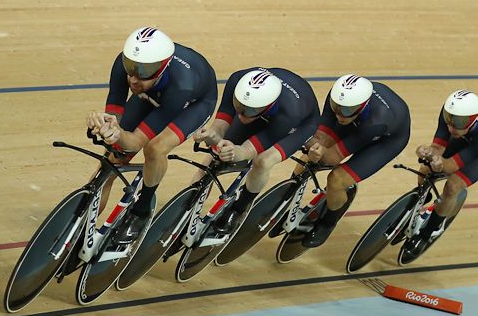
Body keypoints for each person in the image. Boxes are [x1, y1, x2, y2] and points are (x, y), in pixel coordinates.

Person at [86, 27, 218, 246]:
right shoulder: (125, 65)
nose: (134, 80)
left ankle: (142, 208)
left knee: (155, 149)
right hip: (153, 92)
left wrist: (119, 135)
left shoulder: (181, 85)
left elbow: (136, 141)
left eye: (144, 72)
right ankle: (79, 222)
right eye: (131, 69)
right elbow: (114, 117)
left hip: (193, 103)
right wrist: (105, 127)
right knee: (111, 162)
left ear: (163, 68)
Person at [192, 66, 320, 240]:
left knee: (262, 161)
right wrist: (213, 135)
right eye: (239, 106)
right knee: (214, 156)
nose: (243, 115)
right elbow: (220, 126)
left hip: (300, 124)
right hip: (263, 108)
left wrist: (233, 153)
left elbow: (246, 151)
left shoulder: (289, 114)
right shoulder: (237, 81)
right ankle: (187, 206)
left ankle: (239, 208)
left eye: (250, 110)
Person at [299, 74, 411, 248]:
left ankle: (328, 223)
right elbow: (320, 136)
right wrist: (310, 144)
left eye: (346, 109)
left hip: (386, 140)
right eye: (337, 107)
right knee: (311, 152)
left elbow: (333, 157)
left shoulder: (377, 120)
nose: (340, 114)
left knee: (336, 180)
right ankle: (289, 195)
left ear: (363, 105)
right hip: (358, 120)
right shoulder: (337, 99)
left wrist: (310, 145)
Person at [402, 89, 478, 259]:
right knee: (425, 169)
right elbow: (438, 148)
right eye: (449, 120)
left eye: (458, 122)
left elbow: (449, 166)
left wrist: (438, 163)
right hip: (468, 134)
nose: (451, 127)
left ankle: (431, 230)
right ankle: (422, 200)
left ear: (474, 120)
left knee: (452, 186)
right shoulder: (451, 114)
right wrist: (428, 153)